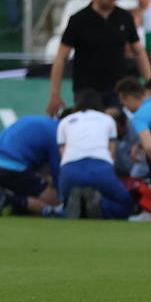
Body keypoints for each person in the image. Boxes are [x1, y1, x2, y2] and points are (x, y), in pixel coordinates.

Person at [48, 0, 151, 115]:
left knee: (115, 128)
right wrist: (55, 94)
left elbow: (139, 51)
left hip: (118, 92)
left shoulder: (124, 17)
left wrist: (150, 85)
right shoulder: (78, 20)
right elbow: (61, 57)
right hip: (86, 92)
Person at [56, 89, 131, 219]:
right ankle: (99, 205)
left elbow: (63, 153)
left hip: (70, 171)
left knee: (64, 205)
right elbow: (111, 153)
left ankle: (68, 208)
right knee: (125, 204)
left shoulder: (65, 121)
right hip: (100, 168)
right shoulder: (108, 120)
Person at [0, 114, 62, 216]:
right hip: (11, 168)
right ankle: (10, 199)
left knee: (29, 186)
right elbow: (57, 173)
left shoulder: (41, 122)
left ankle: (12, 199)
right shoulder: (57, 132)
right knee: (55, 201)